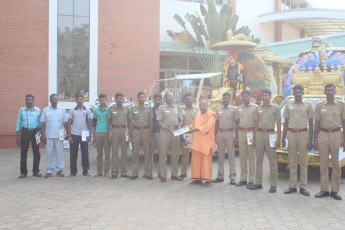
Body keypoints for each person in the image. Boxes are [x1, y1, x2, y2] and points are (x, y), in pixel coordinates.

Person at [313, 83, 345, 200]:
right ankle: (324, 189)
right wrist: (315, 140)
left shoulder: (341, 105)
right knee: (323, 164)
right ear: (325, 92)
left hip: (337, 135)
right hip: (323, 135)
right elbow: (316, 124)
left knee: (336, 164)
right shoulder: (319, 106)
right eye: (328, 90)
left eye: (332, 90)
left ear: (335, 91)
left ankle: (335, 190)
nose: (330, 92)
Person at [282, 85, 313, 196]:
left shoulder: (308, 106)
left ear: (303, 93)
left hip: (303, 134)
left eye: (300, 92)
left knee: (304, 162)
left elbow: (311, 122)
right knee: (292, 162)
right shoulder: (288, 105)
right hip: (291, 134)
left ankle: (303, 187)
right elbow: (285, 122)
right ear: (293, 93)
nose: (298, 94)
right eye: (296, 92)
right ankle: (292, 186)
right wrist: (283, 138)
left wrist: (310, 139)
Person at [250, 88, 281, 193]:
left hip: (271, 134)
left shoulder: (276, 108)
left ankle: (273, 185)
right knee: (258, 160)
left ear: (270, 96)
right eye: (263, 96)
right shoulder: (257, 108)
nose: (264, 97)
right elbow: (255, 124)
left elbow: (278, 124)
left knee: (272, 161)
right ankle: (258, 183)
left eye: (266, 95)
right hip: (259, 134)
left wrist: (278, 139)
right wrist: (254, 139)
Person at [189, 99, 216, 187]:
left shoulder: (211, 115)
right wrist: (186, 128)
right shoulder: (197, 114)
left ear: (207, 106)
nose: (201, 107)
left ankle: (207, 180)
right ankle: (197, 179)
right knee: (196, 161)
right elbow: (193, 125)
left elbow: (208, 127)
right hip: (197, 142)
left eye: (203, 105)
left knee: (206, 162)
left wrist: (196, 129)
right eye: (200, 105)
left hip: (206, 143)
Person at [157, 92, 183, 183]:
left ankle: (174, 174)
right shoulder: (161, 108)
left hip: (175, 133)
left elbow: (181, 119)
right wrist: (168, 129)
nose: (171, 98)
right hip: (165, 132)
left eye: (172, 97)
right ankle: (163, 175)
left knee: (175, 155)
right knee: (163, 155)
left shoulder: (176, 108)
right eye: (169, 97)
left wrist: (179, 126)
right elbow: (159, 122)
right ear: (165, 98)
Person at [41, 94, 68, 178]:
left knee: (59, 153)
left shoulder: (62, 110)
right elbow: (43, 123)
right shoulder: (46, 110)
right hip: (48, 135)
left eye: (56, 99)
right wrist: (43, 135)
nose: (54, 101)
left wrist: (66, 133)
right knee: (49, 153)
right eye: (52, 99)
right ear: (50, 100)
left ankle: (59, 170)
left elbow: (65, 122)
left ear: (58, 100)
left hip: (59, 135)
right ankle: (49, 170)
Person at [212, 92, 237, 185]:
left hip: (230, 134)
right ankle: (220, 176)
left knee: (231, 156)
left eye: (227, 98)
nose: (225, 99)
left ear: (230, 99)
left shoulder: (234, 109)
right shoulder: (218, 110)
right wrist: (214, 135)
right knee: (220, 156)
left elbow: (237, 123)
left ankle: (233, 177)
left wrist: (236, 136)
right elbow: (217, 123)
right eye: (224, 98)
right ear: (222, 99)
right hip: (220, 134)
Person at [16, 94, 42, 179]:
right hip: (24, 132)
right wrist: (17, 137)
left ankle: (35, 171)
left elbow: (40, 124)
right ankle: (23, 172)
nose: (28, 101)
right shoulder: (21, 110)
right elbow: (18, 123)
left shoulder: (38, 110)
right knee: (23, 152)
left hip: (35, 132)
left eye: (29, 100)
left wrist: (41, 135)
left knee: (36, 152)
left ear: (33, 101)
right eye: (26, 100)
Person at [234, 90, 257, 188]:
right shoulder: (239, 108)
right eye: (243, 96)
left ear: (250, 96)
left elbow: (257, 123)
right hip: (242, 133)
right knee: (242, 157)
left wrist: (255, 136)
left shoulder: (255, 108)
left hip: (251, 133)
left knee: (251, 157)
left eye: (246, 96)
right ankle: (243, 179)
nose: (245, 98)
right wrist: (236, 136)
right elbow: (237, 123)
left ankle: (251, 180)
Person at [128, 92, 153, 180]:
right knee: (135, 153)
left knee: (147, 153)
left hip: (146, 131)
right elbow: (130, 123)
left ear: (145, 98)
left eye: (143, 97)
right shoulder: (132, 109)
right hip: (136, 131)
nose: (141, 99)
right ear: (137, 98)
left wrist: (151, 136)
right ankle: (134, 173)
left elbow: (151, 123)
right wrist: (130, 136)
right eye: (140, 97)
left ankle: (148, 173)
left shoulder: (149, 109)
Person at [68, 94, 92, 177]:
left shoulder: (87, 110)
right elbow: (69, 123)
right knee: (73, 154)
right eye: (78, 99)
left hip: (84, 134)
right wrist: (69, 136)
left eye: (80, 99)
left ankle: (85, 171)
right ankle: (73, 172)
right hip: (74, 134)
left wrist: (90, 135)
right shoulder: (72, 110)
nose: (79, 100)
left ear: (83, 100)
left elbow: (89, 123)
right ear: (76, 100)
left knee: (85, 154)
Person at [107, 93, 130, 179]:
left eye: (121, 99)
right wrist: (109, 135)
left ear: (123, 99)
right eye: (118, 99)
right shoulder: (111, 109)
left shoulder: (127, 109)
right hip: (115, 130)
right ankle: (114, 172)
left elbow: (130, 122)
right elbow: (108, 122)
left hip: (124, 130)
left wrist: (129, 135)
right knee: (115, 152)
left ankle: (124, 172)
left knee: (124, 152)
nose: (120, 100)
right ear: (115, 100)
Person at [180, 93, 199, 179]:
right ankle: (183, 173)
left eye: (190, 99)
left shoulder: (197, 110)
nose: (189, 100)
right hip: (186, 136)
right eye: (187, 99)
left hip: (195, 135)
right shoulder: (181, 110)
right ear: (184, 101)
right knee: (185, 155)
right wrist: (181, 136)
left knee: (195, 155)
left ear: (193, 100)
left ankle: (196, 173)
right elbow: (180, 122)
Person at [92, 94, 110, 177]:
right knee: (99, 154)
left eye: (104, 100)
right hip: (98, 132)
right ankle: (99, 172)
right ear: (98, 100)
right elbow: (94, 124)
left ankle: (106, 172)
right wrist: (94, 136)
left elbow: (112, 123)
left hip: (107, 132)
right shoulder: (95, 110)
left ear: (106, 100)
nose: (102, 101)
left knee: (107, 154)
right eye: (101, 100)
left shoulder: (110, 109)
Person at [150, 93, 162, 178]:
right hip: (151, 134)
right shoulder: (150, 110)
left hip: (161, 134)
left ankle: (160, 172)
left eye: (159, 99)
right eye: (156, 99)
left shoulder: (164, 110)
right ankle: (149, 172)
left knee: (162, 154)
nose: (157, 101)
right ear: (153, 100)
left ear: (161, 100)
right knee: (150, 154)